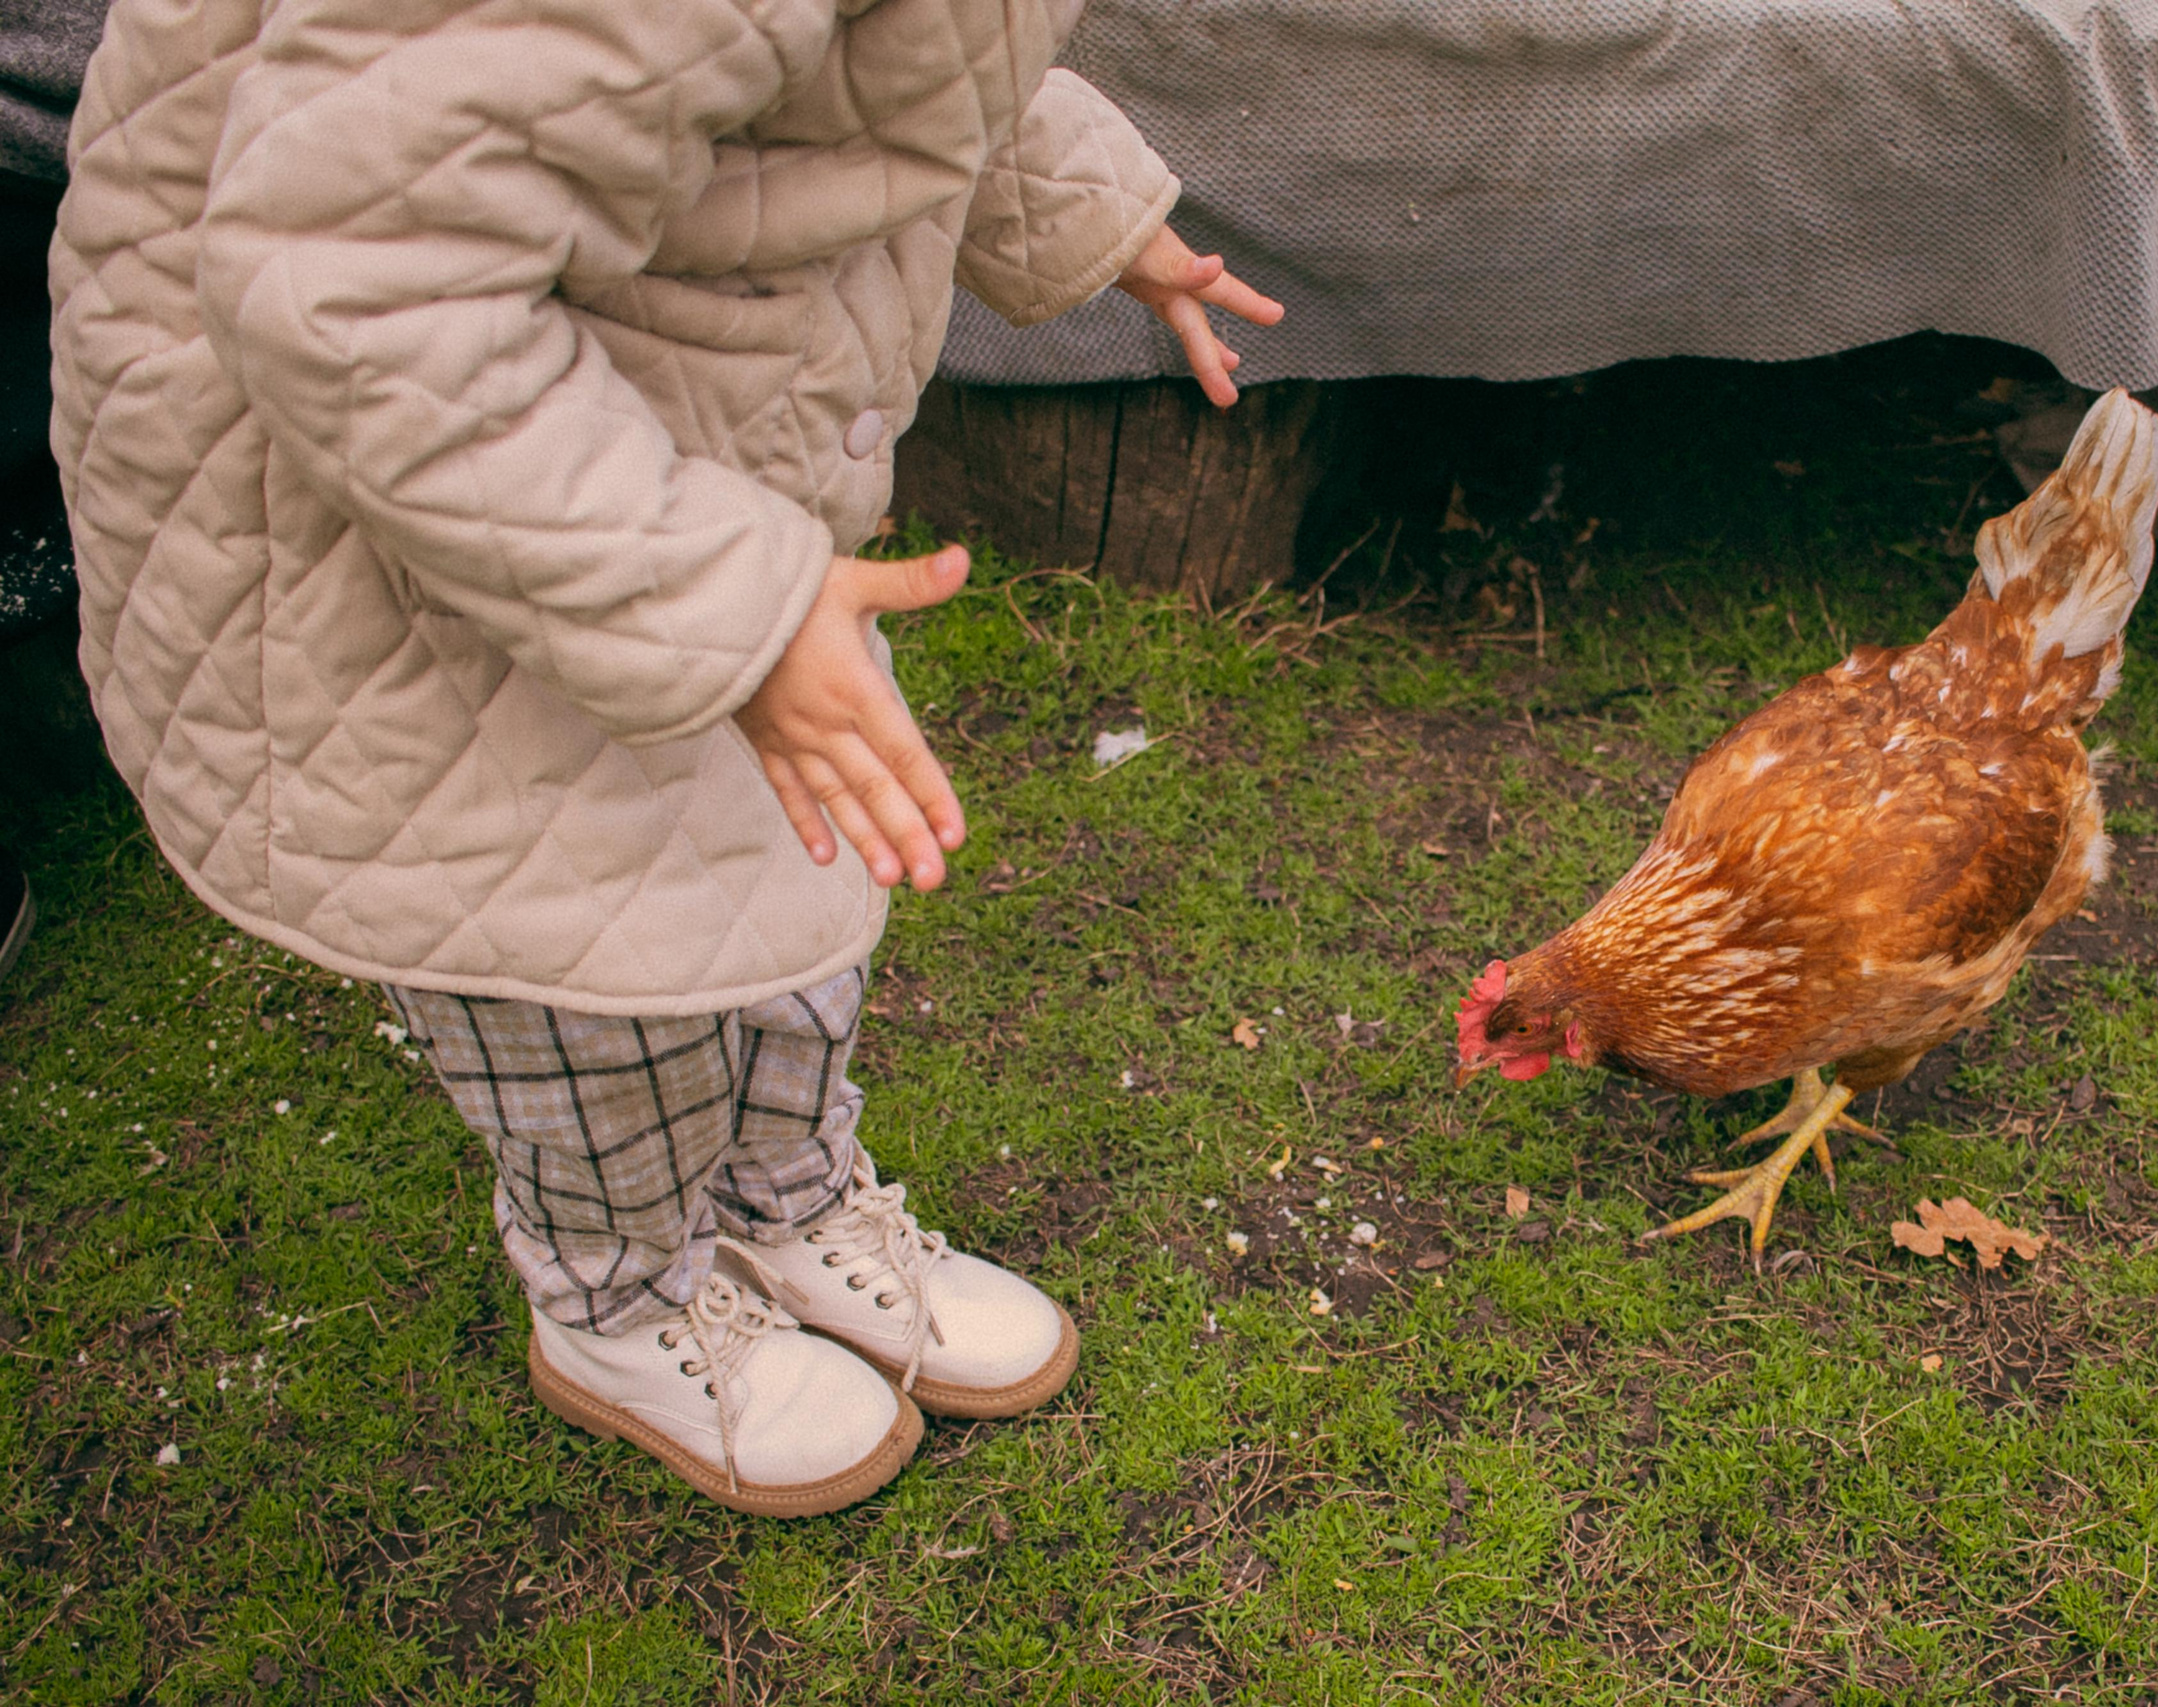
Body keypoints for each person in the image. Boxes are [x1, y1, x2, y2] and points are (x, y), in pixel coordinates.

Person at [50, 0, 1280, 1516]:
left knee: (780, 878)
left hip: (630, 442)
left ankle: (784, 1201)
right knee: (580, 974)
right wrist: (736, 614)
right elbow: (352, 283)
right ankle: (621, 1305)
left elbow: (903, 61)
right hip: (403, 492)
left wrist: (1089, 211)